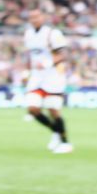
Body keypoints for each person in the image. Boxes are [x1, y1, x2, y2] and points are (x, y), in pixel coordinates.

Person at [23, 8, 73, 154]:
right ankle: (56, 132)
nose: (34, 20)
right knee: (33, 109)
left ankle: (65, 142)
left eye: (37, 17)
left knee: (54, 111)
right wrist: (26, 71)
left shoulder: (52, 34)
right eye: (31, 17)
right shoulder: (28, 34)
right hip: (36, 78)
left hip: (53, 77)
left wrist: (47, 63)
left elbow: (64, 54)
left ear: (43, 17)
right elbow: (30, 56)